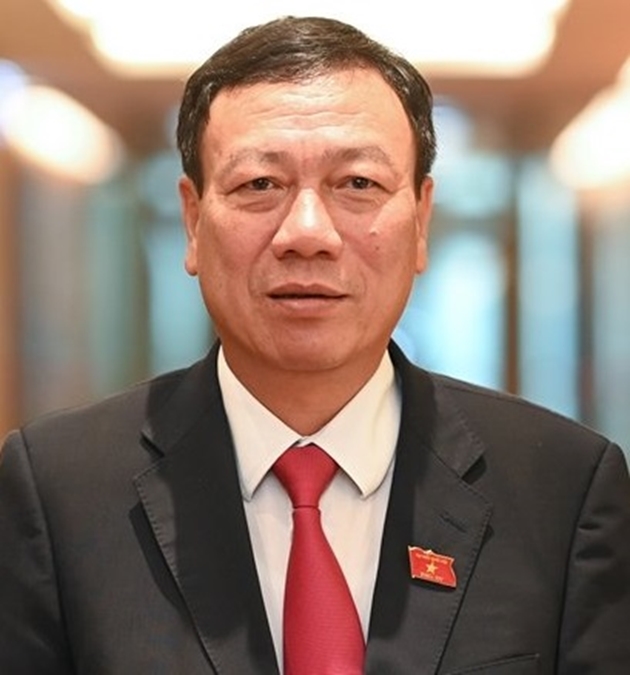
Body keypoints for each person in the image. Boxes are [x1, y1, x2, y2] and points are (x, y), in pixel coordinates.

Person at [1, 15, 629, 675]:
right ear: (192, 220)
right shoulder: (59, 492)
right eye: (259, 185)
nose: (307, 233)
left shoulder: (563, 492)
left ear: (421, 220)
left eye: (358, 184)